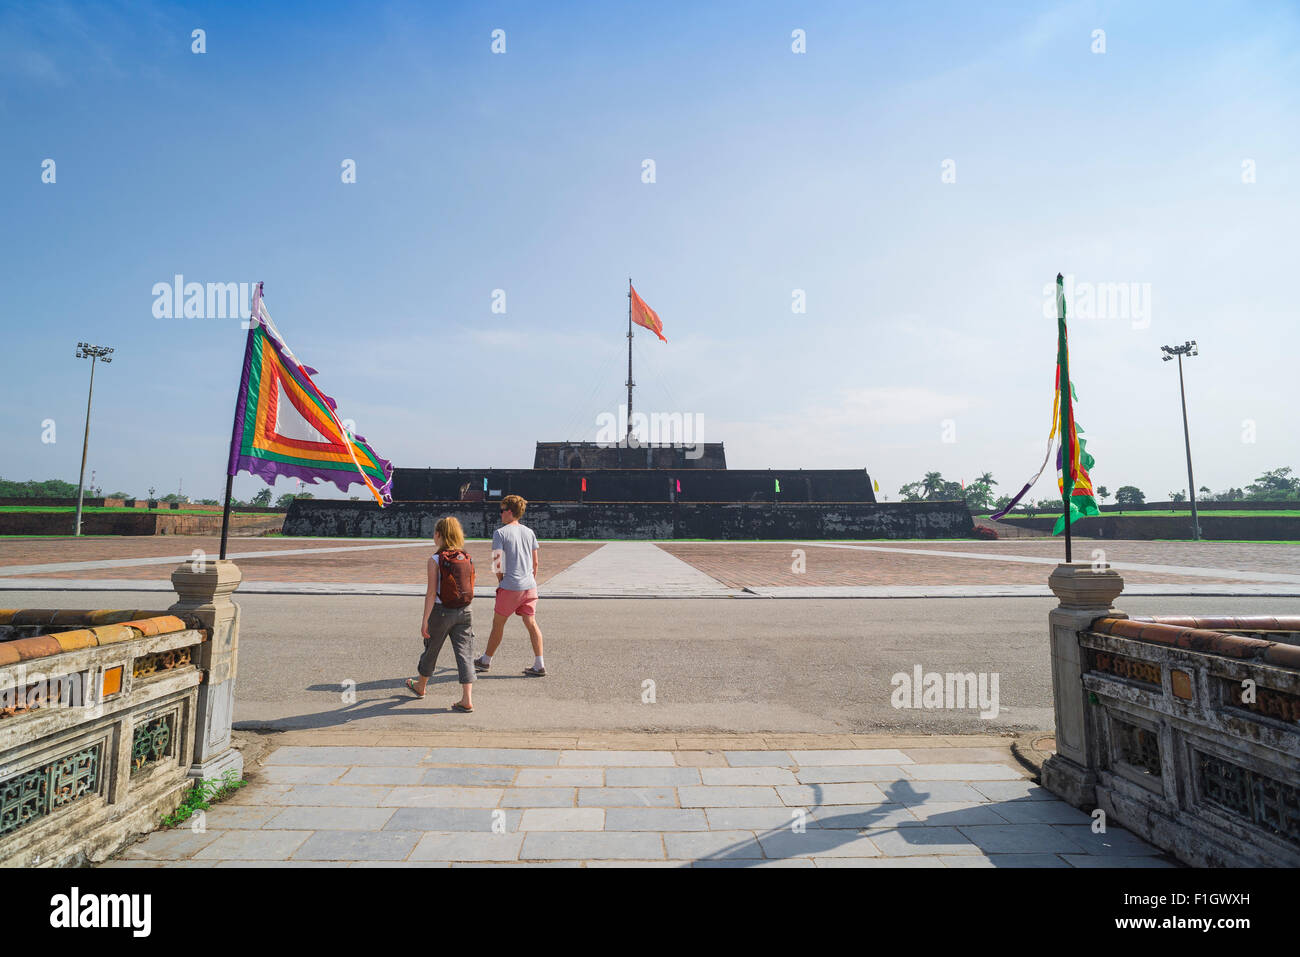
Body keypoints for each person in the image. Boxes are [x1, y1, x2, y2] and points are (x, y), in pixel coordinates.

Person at [407, 516, 476, 711]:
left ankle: (421, 685)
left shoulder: (435, 559)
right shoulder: (466, 557)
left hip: (441, 611)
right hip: (465, 611)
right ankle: (466, 698)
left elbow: (431, 593)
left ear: (439, 535)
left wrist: (425, 620)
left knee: (432, 649)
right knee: (465, 653)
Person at [474, 494, 546, 677]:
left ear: (510, 512)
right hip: (529, 586)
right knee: (531, 623)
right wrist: (530, 580)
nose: (500, 514)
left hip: (510, 585)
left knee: (498, 624)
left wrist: (502, 581)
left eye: (502, 510)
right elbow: (535, 563)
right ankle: (539, 664)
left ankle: (486, 660)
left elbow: (498, 564)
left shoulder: (500, 533)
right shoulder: (529, 532)